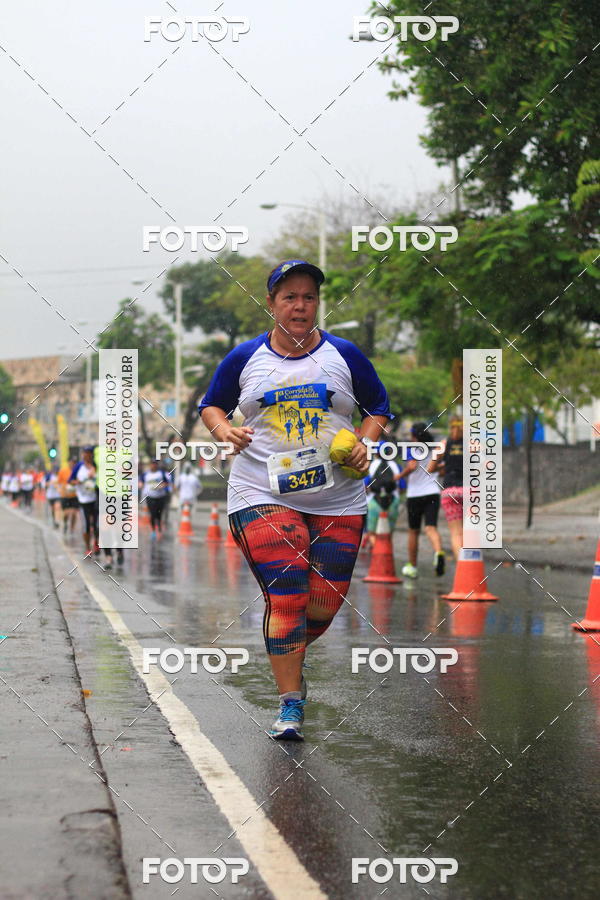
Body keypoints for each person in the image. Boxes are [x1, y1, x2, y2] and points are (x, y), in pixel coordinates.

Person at [200, 258, 393, 741]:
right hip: (260, 489)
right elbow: (211, 404)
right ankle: (289, 702)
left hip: (338, 496)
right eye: (289, 297)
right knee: (288, 594)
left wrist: (364, 441)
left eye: (308, 296)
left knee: (322, 605)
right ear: (271, 304)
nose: (300, 305)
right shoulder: (245, 358)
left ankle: (287, 653)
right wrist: (225, 430)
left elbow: (379, 407)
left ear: (317, 303)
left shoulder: (344, 355)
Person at [397, 422, 445, 578]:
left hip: (415, 495)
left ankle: (412, 566)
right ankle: (438, 553)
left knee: (413, 532)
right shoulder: (435, 448)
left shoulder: (412, 449)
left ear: (414, 436)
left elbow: (412, 466)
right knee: (431, 528)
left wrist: (399, 476)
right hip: (432, 493)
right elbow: (442, 469)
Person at [69, 446, 114, 567]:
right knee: (86, 525)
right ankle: (88, 547)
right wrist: (77, 482)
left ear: (92, 455)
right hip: (83, 500)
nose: (86, 456)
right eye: (84, 453)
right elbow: (71, 480)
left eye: (88, 454)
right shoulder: (79, 466)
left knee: (97, 525)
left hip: (96, 498)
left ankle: (96, 542)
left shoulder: (97, 466)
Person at [364, 447, 402, 548]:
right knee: (388, 532)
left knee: (372, 532)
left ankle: (378, 551)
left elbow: (364, 485)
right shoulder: (396, 466)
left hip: (374, 502)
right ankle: (385, 551)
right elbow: (402, 486)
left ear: (376, 453)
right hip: (392, 500)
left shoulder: (371, 465)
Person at [440, 418, 464, 561]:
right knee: (468, 532)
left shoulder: (444, 444)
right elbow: (486, 465)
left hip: (449, 491)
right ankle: (471, 567)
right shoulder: (473, 444)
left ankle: (461, 567)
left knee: (455, 533)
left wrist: (443, 468)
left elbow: (431, 467)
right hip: (469, 491)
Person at [140, 459, 172, 536]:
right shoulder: (145, 474)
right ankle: (153, 530)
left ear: (157, 465)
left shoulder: (161, 473)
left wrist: (161, 486)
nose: (153, 465)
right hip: (150, 496)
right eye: (152, 464)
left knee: (159, 513)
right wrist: (140, 485)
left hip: (160, 496)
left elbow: (167, 483)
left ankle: (159, 524)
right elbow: (141, 482)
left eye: (155, 464)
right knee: (152, 513)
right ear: (150, 465)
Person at [58, 459, 79, 534]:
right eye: (71, 462)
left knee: (74, 513)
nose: (72, 464)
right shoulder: (63, 471)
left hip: (74, 495)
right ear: (68, 463)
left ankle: (72, 528)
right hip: (65, 495)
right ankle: (65, 523)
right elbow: (59, 483)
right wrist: (60, 490)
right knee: (66, 513)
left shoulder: (77, 471)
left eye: (74, 463)